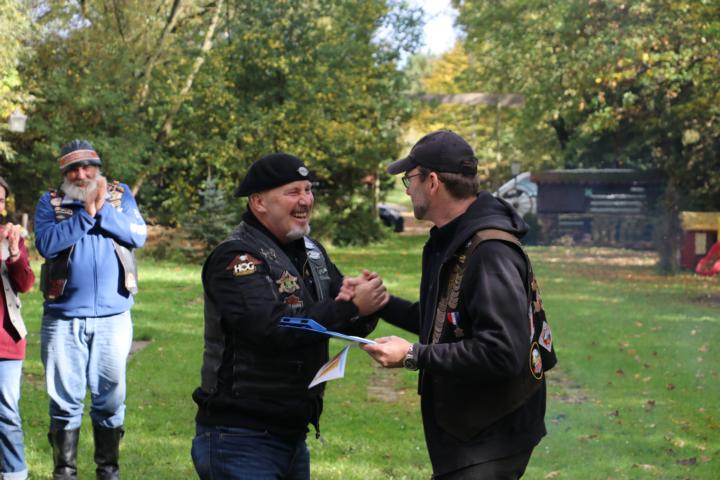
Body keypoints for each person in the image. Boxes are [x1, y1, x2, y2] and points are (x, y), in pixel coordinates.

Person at [361, 130, 549, 479]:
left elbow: (502, 352)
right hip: (470, 432)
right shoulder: (454, 239)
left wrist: (413, 355)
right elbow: (447, 320)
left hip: (489, 436)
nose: (407, 189)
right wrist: (382, 304)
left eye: (409, 179)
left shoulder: (489, 251)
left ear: (432, 181)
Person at [191, 153, 388, 480]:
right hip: (240, 438)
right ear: (258, 202)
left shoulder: (312, 252)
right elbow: (270, 326)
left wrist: (365, 305)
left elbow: (337, 312)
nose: (305, 200)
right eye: (293, 191)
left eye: (308, 190)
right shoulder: (237, 257)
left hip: (291, 435)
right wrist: (351, 307)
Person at [34, 140, 147, 480]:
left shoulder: (120, 196)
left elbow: (137, 235)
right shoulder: (51, 201)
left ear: (98, 168)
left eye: (87, 167)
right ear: (64, 173)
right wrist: (86, 215)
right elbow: (47, 244)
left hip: (114, 318)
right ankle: (64, 472)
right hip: (62, 319)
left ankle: (108, 472)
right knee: (64, 401)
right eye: (73, 169)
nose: (81, 174)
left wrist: (103, 210)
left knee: (110, 400)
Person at [0, 177, 35, 480]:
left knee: (7, 413)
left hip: (5, 341)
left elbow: (25, 283)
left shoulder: (10, 237)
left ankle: (14, 474)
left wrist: (13, 253)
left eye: (0, 200)